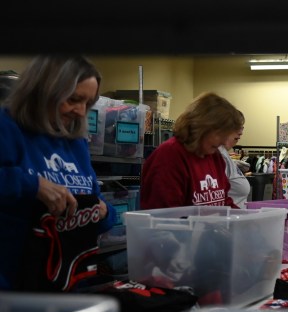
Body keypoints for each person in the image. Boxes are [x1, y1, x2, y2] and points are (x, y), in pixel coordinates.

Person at [0, 55, 117, 290]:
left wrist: (104, 213)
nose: (81, 111)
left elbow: (96, 201)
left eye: (88, 103)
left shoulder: (75, 143)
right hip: (13, 286)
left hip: (65, 284)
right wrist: (33, 185)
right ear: (44, 91)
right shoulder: (7, 127)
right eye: (74, 99)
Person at [140, 92, 245, 210]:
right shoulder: (169, 156)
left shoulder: (215, 157)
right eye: (220, 135)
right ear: (203, 127)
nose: (225, 143)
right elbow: (164, 215)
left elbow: (224, 203)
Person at [218, 113, 251, 208]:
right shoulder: (219, 155)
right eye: (237, 127)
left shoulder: (224, 153)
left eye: (242, 127)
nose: (241, 132)